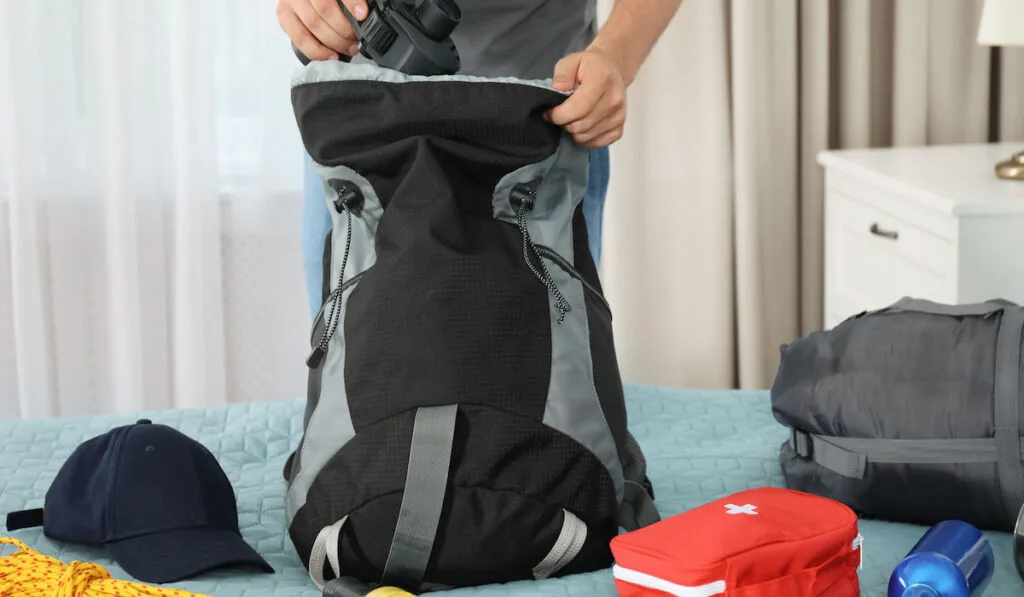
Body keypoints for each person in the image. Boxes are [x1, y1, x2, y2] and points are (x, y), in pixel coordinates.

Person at [277, 0, 682, 318]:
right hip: (362, 123)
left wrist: (615, 55)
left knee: (544, 376)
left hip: (543, 126)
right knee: (357, 370)